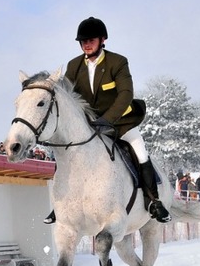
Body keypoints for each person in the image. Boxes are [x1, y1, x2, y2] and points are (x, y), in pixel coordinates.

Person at [45, 17, 170, 224]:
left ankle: (153, 201)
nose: (86, 44)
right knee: (67, 153)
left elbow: (125, 95)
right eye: (83, 41)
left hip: (120, 122)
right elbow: (66, 95)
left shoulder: (117, 62)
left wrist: (107, 119)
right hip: (90, 125)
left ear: (102, 39)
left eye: (91, 39)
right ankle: (60, 206)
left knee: (140, 151)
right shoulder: (74, 65)